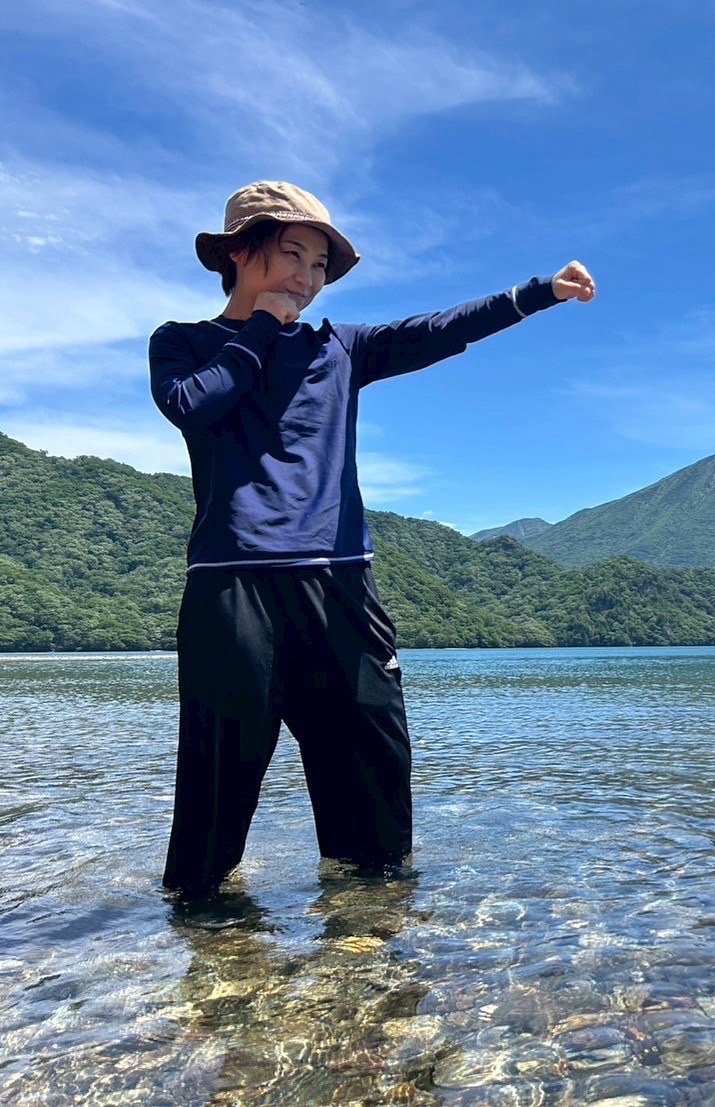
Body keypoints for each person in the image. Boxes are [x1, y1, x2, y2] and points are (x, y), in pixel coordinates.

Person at [149, 180, 595, 896]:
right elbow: (193, 407)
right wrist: (261, 329)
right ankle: (201, 922)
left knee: (371, 775)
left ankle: (368, 929)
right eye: (292, 254)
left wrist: (539, 292)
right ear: (239, 252)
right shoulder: (183, 343)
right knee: (217, 775)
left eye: (320, 264)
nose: (307, 276)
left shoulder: (341, 348)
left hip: (340, 582)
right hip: (232, 585)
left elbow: (439, 330)